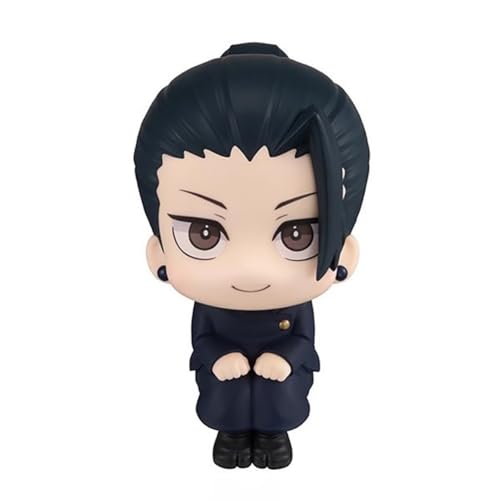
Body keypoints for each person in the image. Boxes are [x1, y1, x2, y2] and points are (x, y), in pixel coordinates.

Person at [134, 42, 369, 469]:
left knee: (279, 400)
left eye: (297, 234)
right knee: (226, 400)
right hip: (225, 381)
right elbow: (202, 338)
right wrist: (217, 357)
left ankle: (274, 437)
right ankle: (232, 436)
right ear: (158, 253)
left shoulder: (296, 305)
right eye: (204, 234)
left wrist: (287, 358)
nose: (250, 268)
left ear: (345, 253)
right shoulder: (211, 306)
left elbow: (304, 339)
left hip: (281, 381)